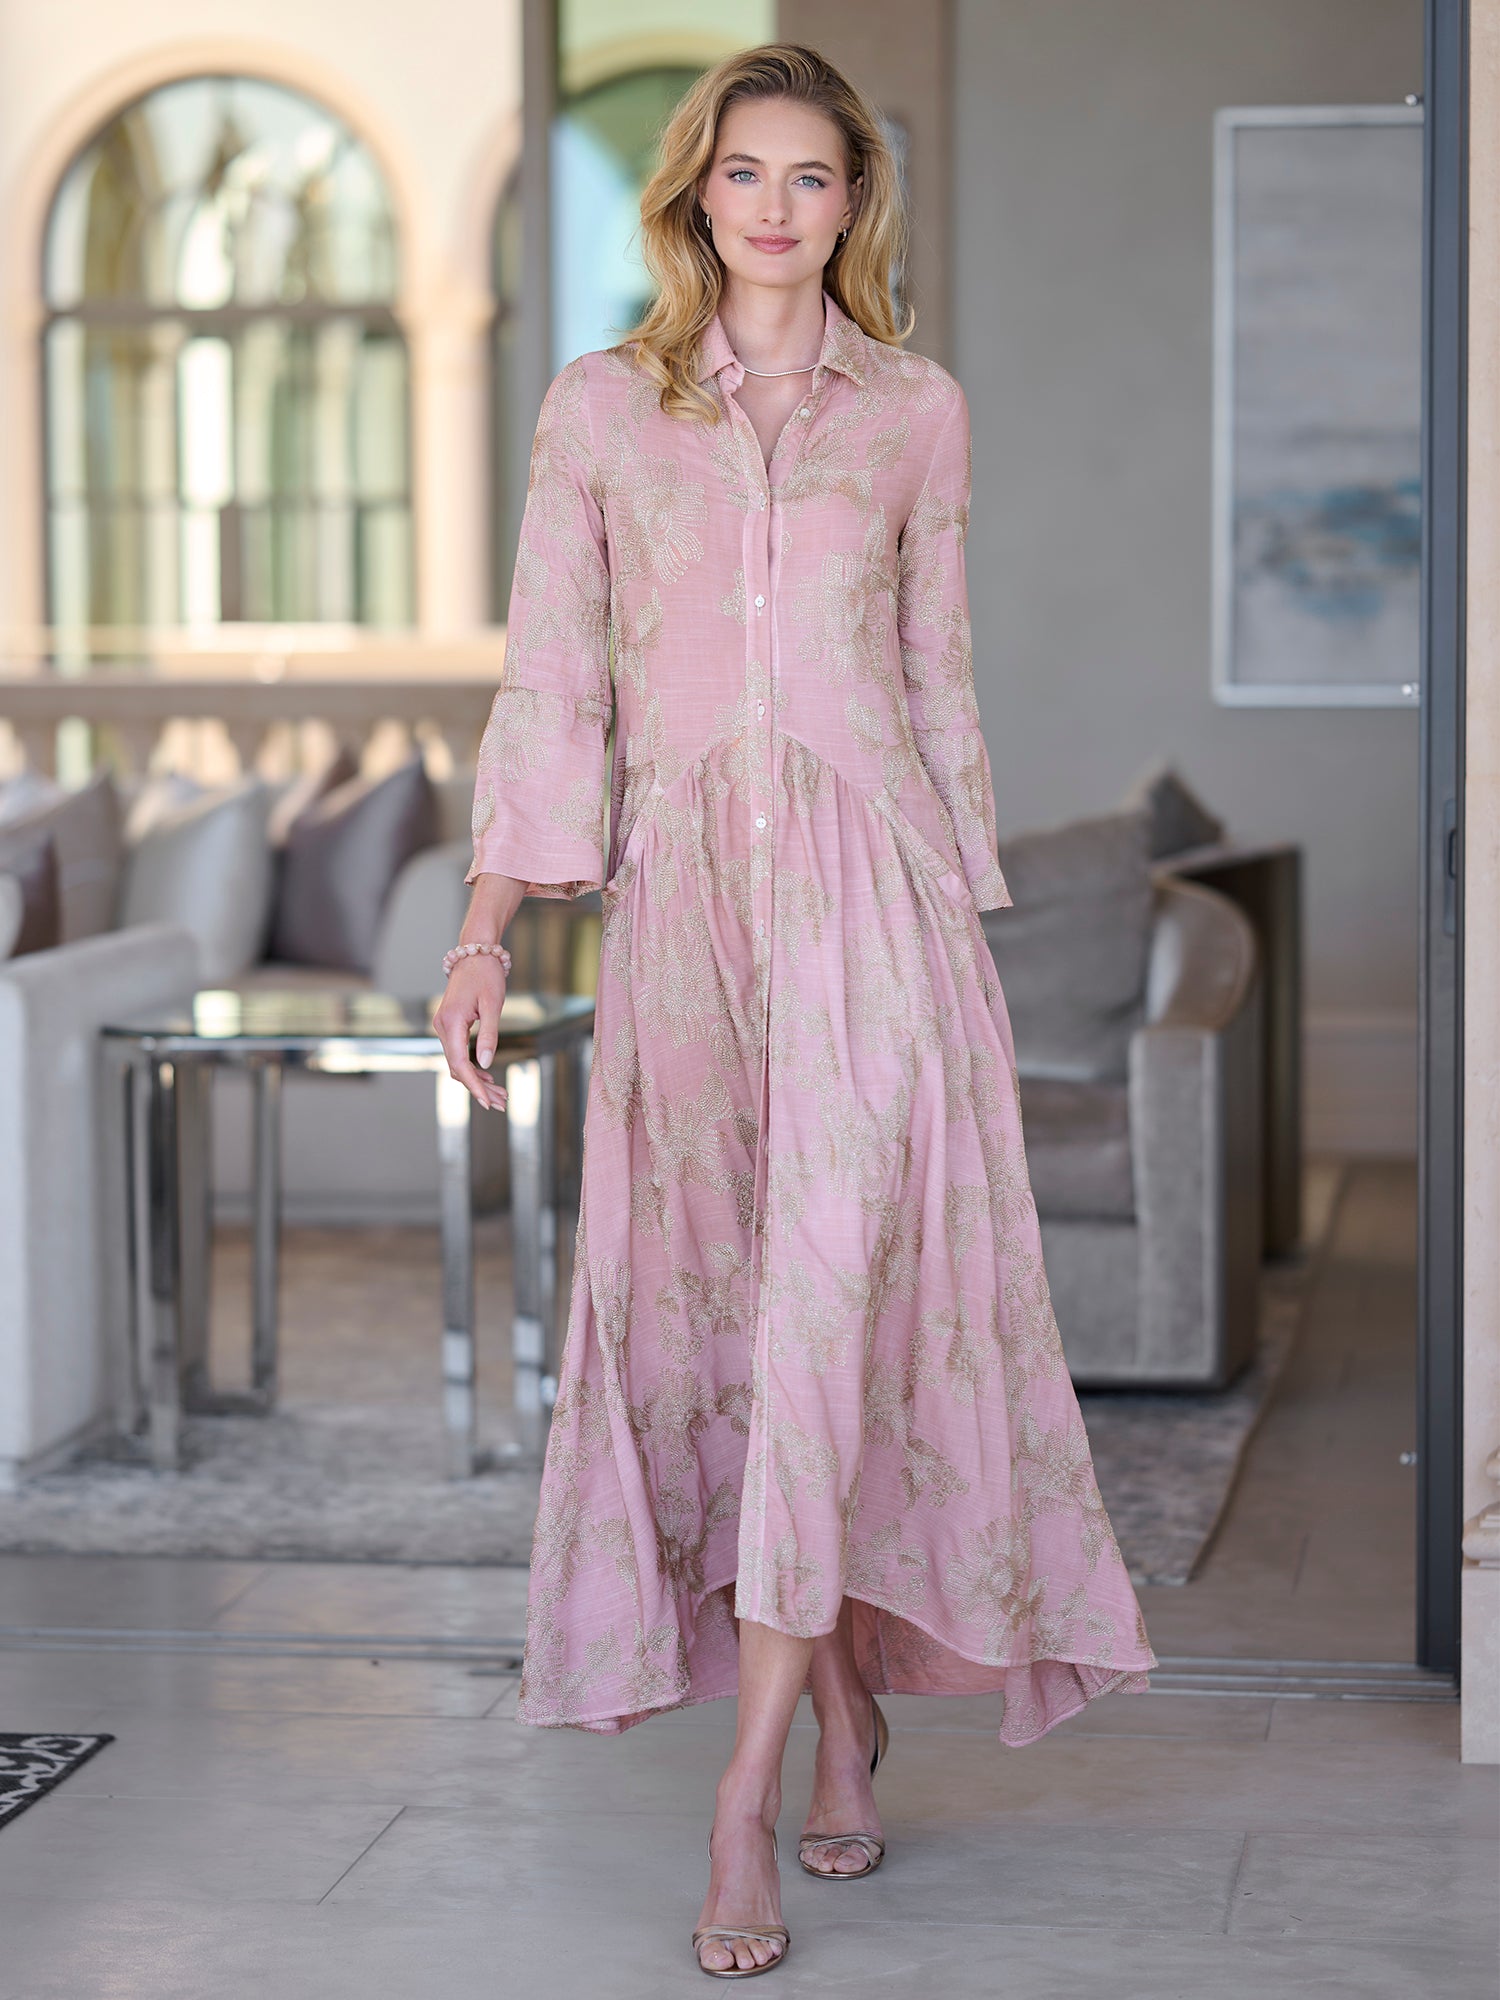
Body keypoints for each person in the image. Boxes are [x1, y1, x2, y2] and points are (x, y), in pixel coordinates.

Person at [435, 41, 1158, 1981]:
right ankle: (844, 1713)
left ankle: (742, 1799)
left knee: (837, 1322)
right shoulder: (603, 410)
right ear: (696, 192)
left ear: (854, 202)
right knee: (738, 1345)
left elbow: (937, 679)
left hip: (878, 929)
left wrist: (961, 926)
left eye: (812, 176)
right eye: (744, 173)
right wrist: (486, 930)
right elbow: (552, 682)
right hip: (685, 929)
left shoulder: (915, 413)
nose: (776, 207)